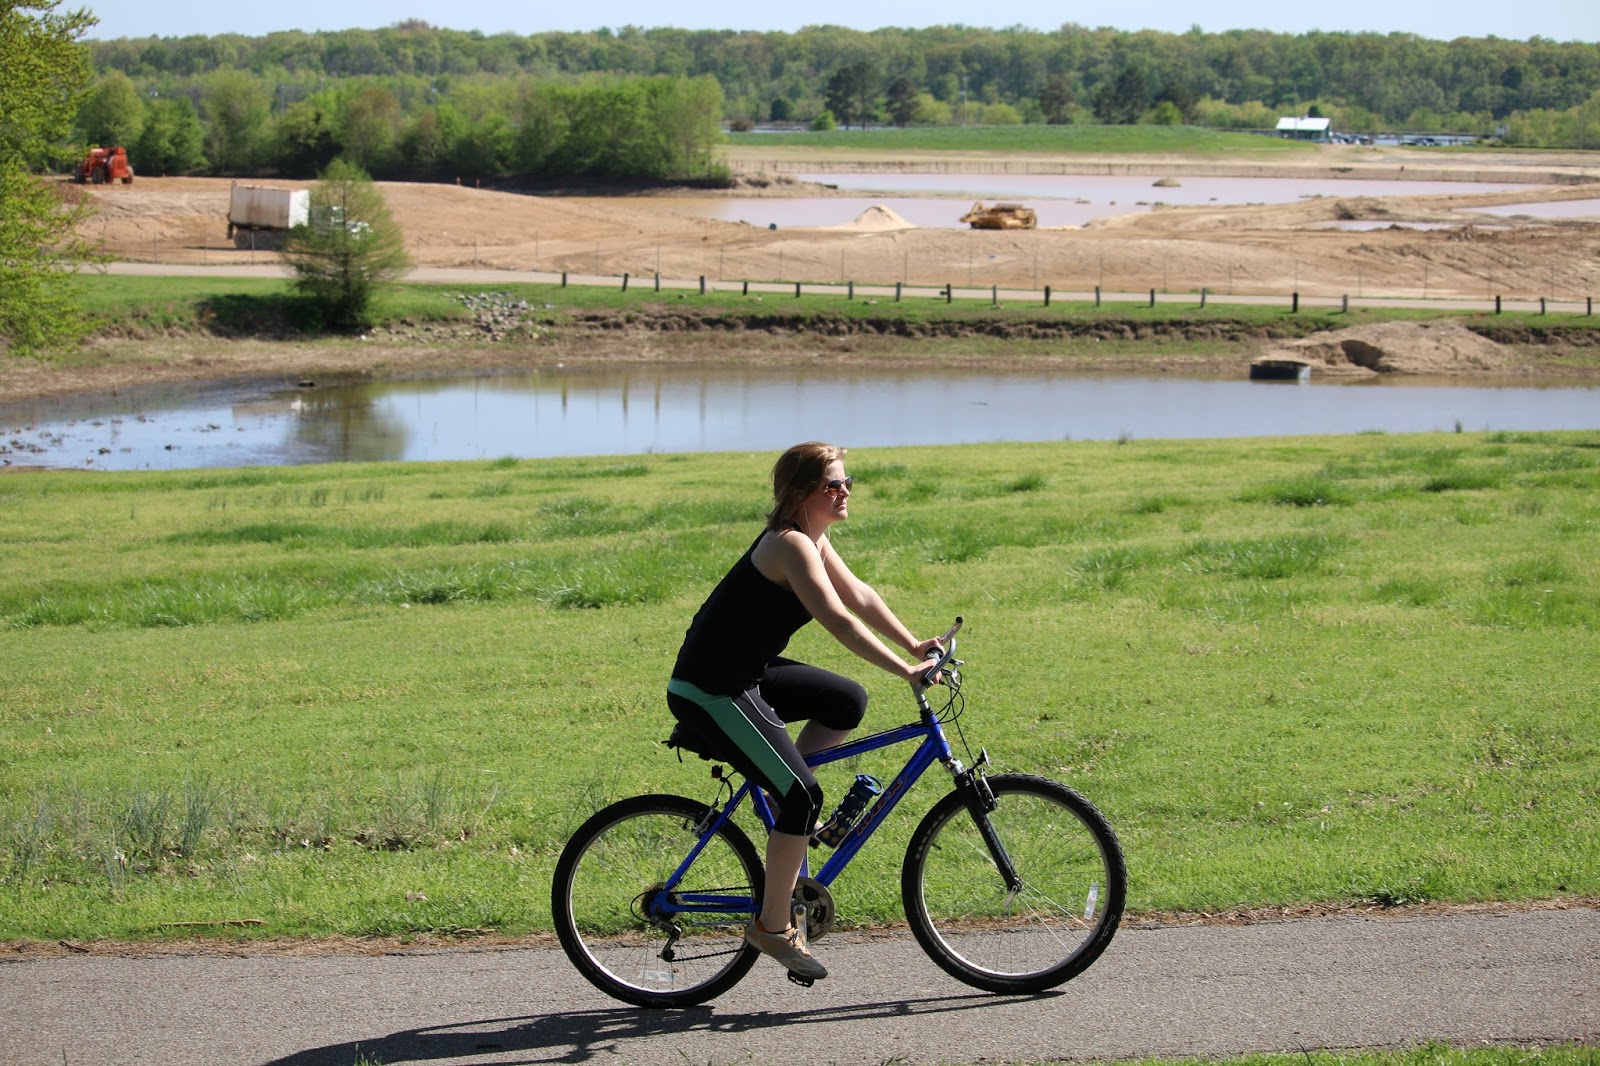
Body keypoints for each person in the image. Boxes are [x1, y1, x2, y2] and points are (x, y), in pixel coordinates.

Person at [666, 442, 944, 982]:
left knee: (846, 701)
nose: (844, 492)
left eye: (847, 482)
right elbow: (839, 621)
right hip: (709, 690)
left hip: (746, 674)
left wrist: (914, 644)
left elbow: (858, 595)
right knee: (804, 796)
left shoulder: (814, 538)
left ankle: (780, 796)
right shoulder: (789, 544)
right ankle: (772, 927)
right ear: (799, 494)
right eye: (832, 485)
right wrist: (907, 672)